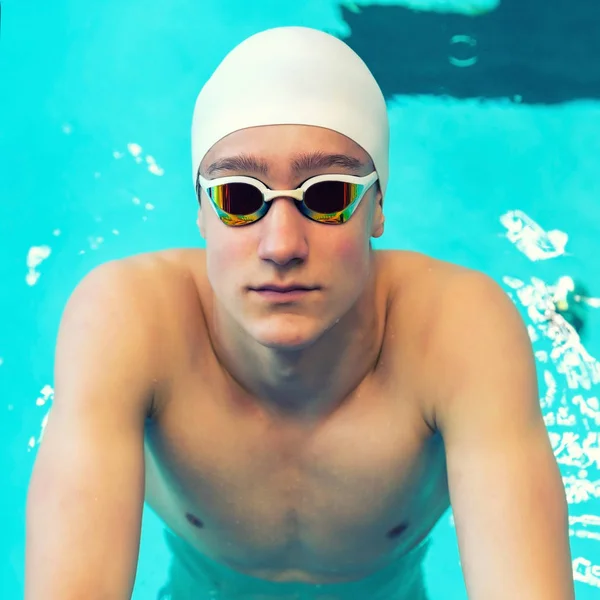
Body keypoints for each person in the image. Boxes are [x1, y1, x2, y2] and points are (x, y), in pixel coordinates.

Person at [25, 26, 574, 600]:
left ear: (378, 207)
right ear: (201, 213)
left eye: (328, 195)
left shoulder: (460, 334)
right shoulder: (127, 323)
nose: (281, 245)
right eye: (239, 196)